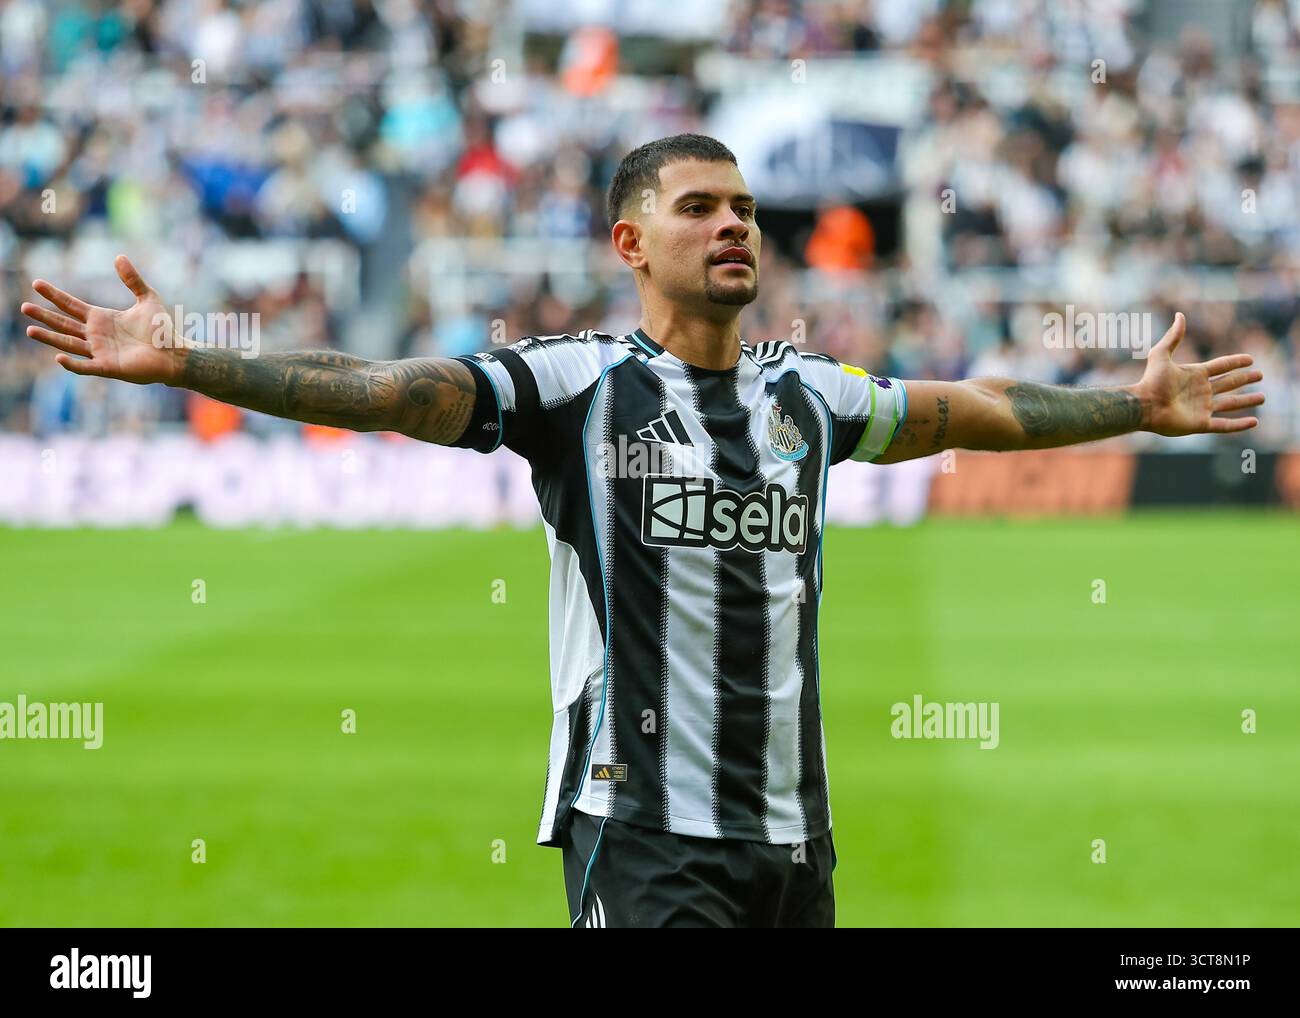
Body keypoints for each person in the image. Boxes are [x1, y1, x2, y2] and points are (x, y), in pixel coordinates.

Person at [19, 134, 1264, 928]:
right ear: (630, 242)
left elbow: (974, 412)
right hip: (646, 832)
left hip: (794, 839)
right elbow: (392, 388)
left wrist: (1131, 406)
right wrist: (196, 362)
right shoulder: (573, 382)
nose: (734, 226)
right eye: (698, 208)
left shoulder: (807, 395)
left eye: (745, 208)